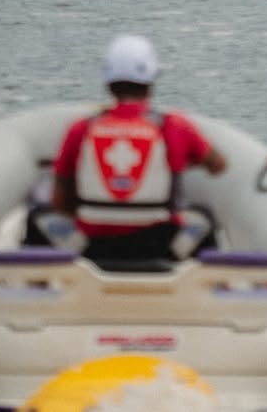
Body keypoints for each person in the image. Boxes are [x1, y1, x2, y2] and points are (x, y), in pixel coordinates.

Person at [49, 33, 227, 263]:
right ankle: (211, 290)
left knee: (37, 218)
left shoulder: (81, 129)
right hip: (160, 247)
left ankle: (35, 289)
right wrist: (188, 160)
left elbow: (59, 201)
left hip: (93, 249)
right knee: (205, 218)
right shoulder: (174, 126)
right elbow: (218, 165)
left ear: (108, 82)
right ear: (151, 81)